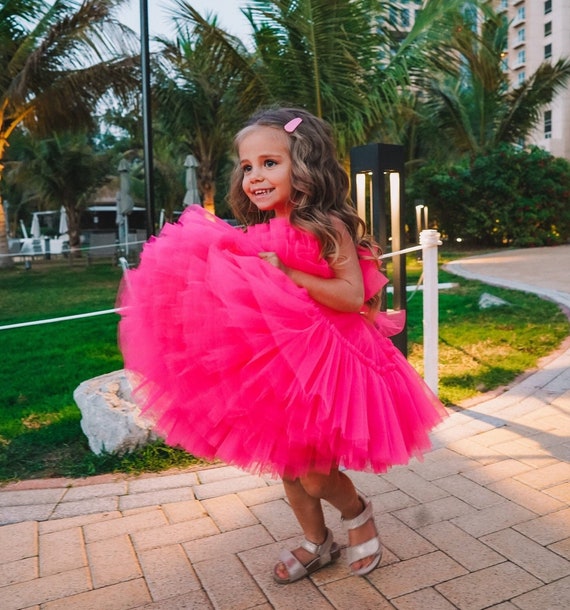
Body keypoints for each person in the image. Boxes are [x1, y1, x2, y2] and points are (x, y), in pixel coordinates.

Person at [118, 107, 446, 584]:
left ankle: (357, 513)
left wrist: (288, 273)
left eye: (270, 163)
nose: (255, 177)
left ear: (305, 164)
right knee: (290, 468)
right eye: (247, 167)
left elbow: (352, 296)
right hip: (281, 365)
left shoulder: (326, 225)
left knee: (315, 474)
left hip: (329, 358)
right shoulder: (257, 233)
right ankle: (318, 542)